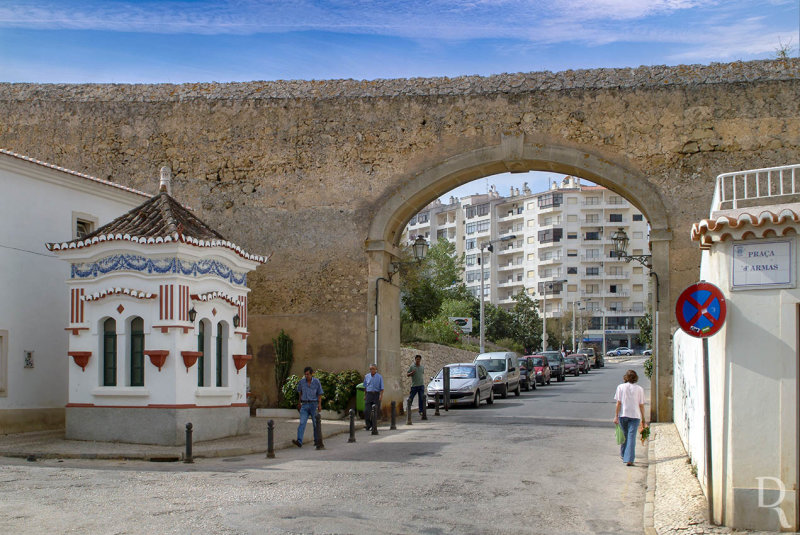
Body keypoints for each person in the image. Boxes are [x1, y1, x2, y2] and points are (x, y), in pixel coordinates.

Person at [613, 369, 647, 466]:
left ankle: (624, 455)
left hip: (623, 414)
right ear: (636, 378)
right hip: (635, 415)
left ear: (626, 377)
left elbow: (618, 403)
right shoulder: (640, 389)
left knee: (624, 435)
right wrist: (643, 419)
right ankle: (629, 459)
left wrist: (616, 416)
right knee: (631, 437)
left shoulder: (620, 387)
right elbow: (641, 405)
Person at [292, 366, 323, 448]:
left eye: (308, 374)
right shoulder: (302, 382)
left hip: (314, 404)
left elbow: (319, 394)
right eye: (305, 374)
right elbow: (300, 392)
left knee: (315, 424)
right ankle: (299, 441)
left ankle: (316, 441)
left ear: (311, 374)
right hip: (304, 405)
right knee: (302, 423)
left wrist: (319, 405)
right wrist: (299, 403)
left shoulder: (316, 382)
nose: (306, 376)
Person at [363, 363, 384, 431]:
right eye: (371, 369)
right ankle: (368, 425)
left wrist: (381, 395)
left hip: (376, 394)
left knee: (375, 411)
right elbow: (365, 387)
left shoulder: (379, 377)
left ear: (376, 370)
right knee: (366, 411)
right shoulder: (366, 376)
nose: (372, 370)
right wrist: (365, 395)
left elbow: (382, 388)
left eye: (373, 369)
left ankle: (373, 425)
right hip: (369, 394)